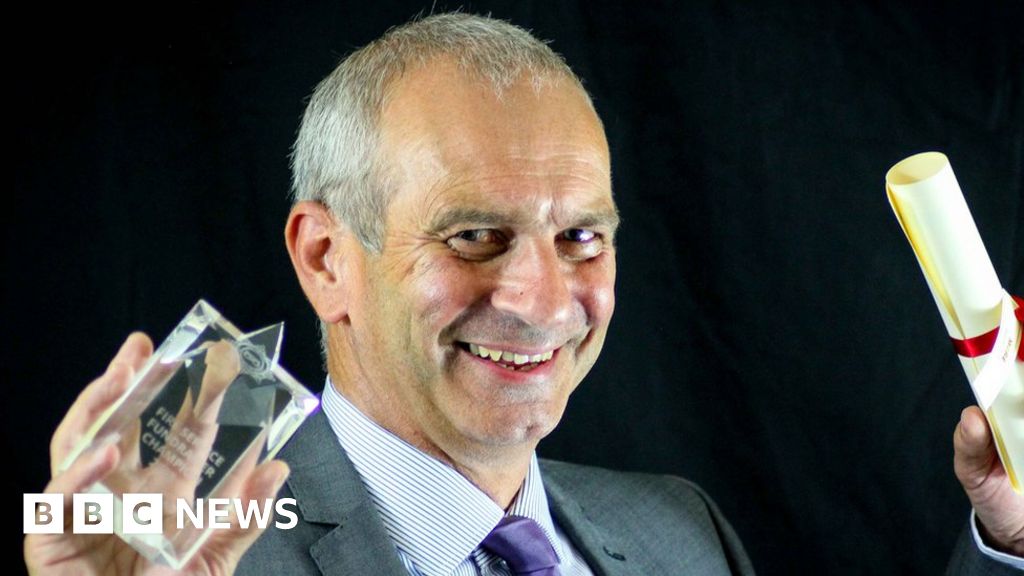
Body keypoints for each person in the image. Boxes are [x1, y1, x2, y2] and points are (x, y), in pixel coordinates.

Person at [24, 13, 1024, 576]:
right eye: (473, 237)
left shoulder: (681, 535)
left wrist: (1007, 540)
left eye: (581, 237)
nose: (544, 301)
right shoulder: (180, 556)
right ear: (327, 259)